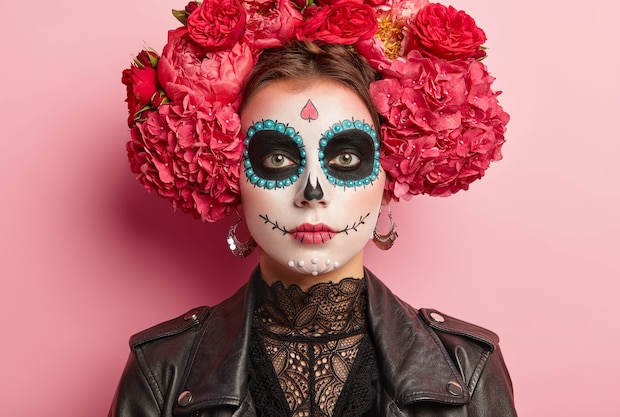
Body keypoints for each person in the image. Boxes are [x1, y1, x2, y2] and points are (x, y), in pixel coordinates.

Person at [112, 1, 515, 416]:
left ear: (389, 178)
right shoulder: (162, 371)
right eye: (277, 160)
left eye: (345, 159)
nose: (312, 190)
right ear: (228, 173)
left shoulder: (467, 368)